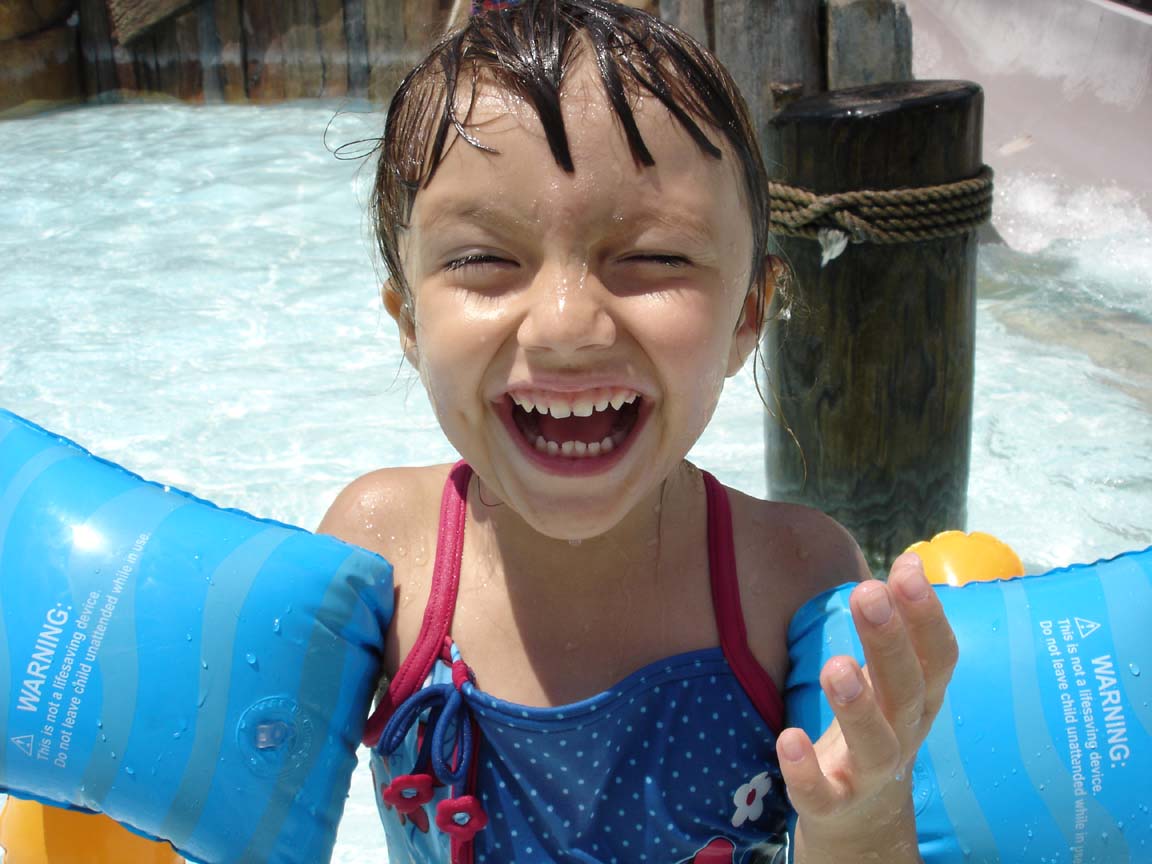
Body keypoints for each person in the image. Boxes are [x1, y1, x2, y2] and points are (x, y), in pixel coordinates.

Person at [319, 2, 958, 862]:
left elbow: (857, 829)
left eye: (655, 259)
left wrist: (854, 818)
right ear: (407, 319)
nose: (564, 325)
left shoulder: (792, 578)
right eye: (482, 261)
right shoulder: (382, 552)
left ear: (749, 314)